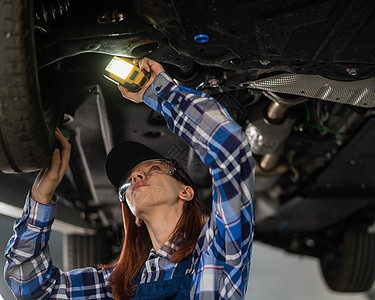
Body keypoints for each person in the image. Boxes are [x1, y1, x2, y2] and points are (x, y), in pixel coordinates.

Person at [4, 58, 255, 299]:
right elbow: (33, 288)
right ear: (134, 216)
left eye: (154, 168)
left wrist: (158, 92)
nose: (135, 175)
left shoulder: (216, 253)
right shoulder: (119, 286)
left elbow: (231, 151)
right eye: (129, 181)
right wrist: (41, 197)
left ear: (186, 192)